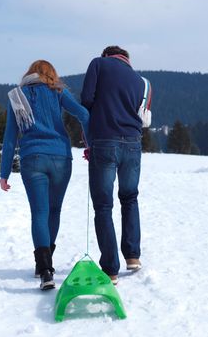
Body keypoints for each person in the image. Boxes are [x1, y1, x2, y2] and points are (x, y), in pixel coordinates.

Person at [0, 60, 89, 290]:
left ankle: (45, 269)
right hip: (61, 158)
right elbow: (84, 115)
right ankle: (47, 261)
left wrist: (4, 173)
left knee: (39, 212)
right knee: (54, 210)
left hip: (33, 159)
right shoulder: (58, 91)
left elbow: (10, 138)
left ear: (29, 73)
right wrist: (89, 145)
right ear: (51, 75)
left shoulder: (17, 96)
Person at [81, 46, 150, 285]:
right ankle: (132, 256)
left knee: (103, 205)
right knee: (130, 197)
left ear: (106, 55)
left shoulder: (98, 64)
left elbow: (86, 99)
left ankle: (110, 269)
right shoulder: (139, 80)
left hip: (105, 141)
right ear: (126, 59)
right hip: (133, 143)